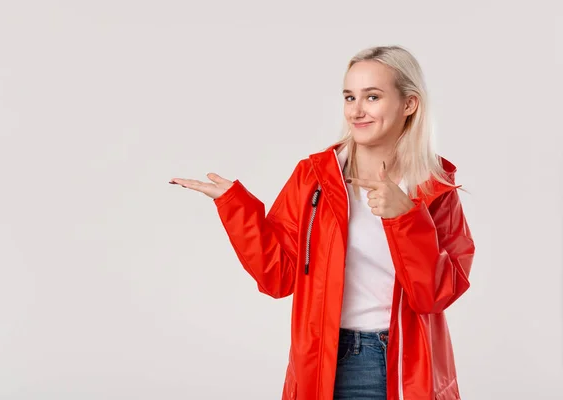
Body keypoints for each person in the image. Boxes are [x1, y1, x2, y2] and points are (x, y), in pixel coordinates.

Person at [170, 45, 475, 400]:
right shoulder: (314, 176)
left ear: (409, 104)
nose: (356, 111)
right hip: (331, 358)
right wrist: (234, 206)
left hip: (410, 359)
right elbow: (278, 277)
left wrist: (406, 216)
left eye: (372, 97)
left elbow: (436, 295)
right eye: (350, 97)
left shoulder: (435, 186)